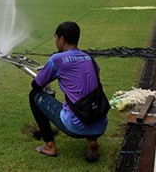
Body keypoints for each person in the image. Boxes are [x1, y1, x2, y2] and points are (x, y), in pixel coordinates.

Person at [29, 21, 108, 162]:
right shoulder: (89, 58)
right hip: (101, 124)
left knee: (34, 95)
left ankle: (49, 146)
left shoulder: (57, 59)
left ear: (62, 39)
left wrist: (45, 74)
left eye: (56, 38)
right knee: (87, 99)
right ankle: (92, 142)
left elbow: (36, 85)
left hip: (75, 126)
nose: (55, 42)